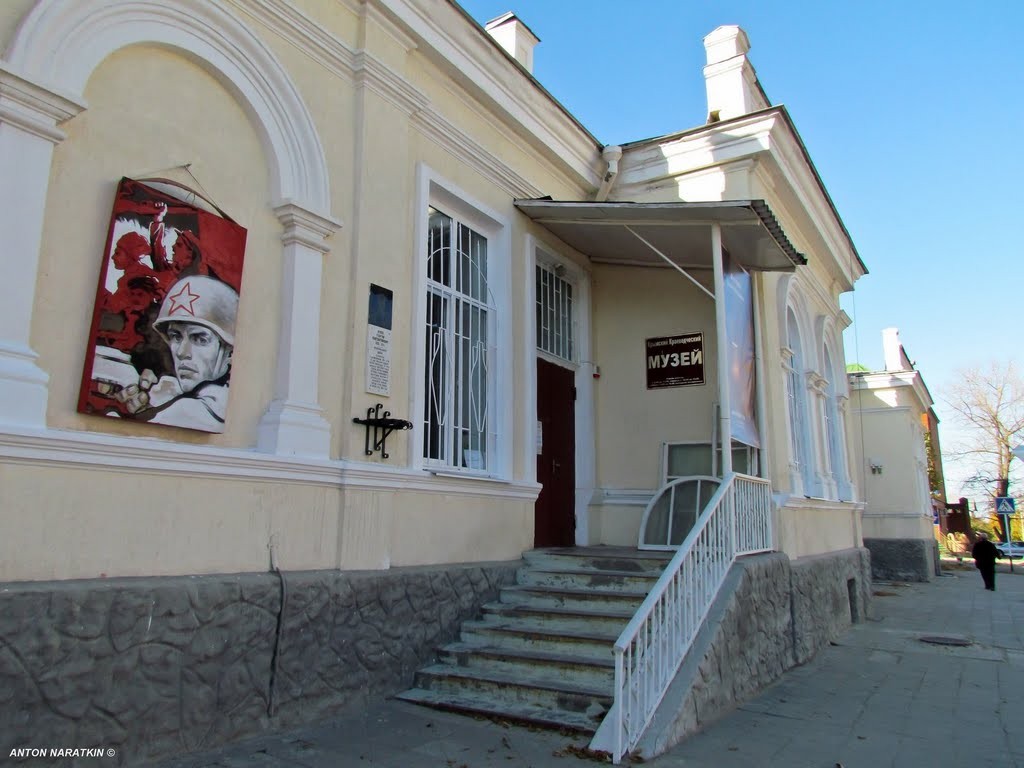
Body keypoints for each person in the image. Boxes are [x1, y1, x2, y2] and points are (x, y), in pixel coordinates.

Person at [114, 275, 238, 432]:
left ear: (230, 351)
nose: (181, 352)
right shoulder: (181, 399)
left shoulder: (190, 410)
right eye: (176, 336)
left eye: (200, 339)